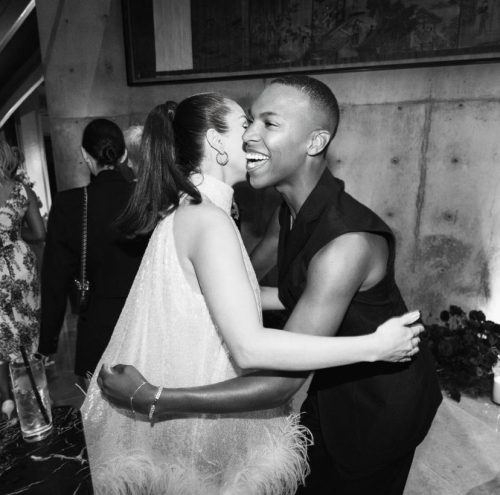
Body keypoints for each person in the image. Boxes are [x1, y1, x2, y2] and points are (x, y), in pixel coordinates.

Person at [99, 76, 442, 495]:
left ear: (315, 142)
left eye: (268, 123)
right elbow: (264, 292)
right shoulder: (286, 212)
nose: (250, 135)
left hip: (379, 405)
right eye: (249, 121)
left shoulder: (345, 245)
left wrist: (155, 398)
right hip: (329, 382)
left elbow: (280, 383)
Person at [38, 119, 148, 383]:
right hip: (146, 325)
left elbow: (55, 280)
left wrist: (47, 344)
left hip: (98, 332)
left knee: (101, 405)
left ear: (85, 156)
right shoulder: (147, 198)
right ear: (124, 154)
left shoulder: (68, 205)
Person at [0, 139, 45, 420]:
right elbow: (39, 233)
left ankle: (6, 402)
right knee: (25, 333)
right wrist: (13, 236)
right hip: (19, 267)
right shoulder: (20, 190)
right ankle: (31, 398)